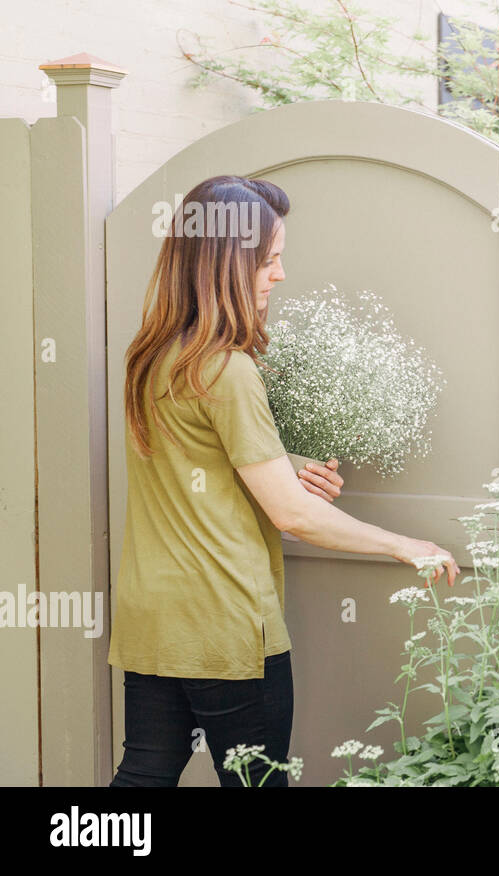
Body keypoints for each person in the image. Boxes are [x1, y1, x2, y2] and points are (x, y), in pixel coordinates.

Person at [107, 174, 457, 787]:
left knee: (143, 776)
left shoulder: (153, 355)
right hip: (224, 623)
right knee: (258, 783)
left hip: (153, 615)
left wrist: (280, 460)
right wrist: (406, 545)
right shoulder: (227, 370)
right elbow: (292, 515)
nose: (279, 275)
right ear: (224, 263)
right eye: (269, 260)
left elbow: (193, 458)